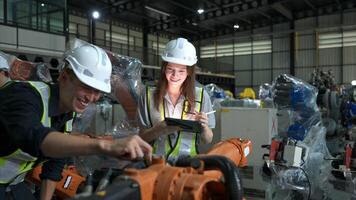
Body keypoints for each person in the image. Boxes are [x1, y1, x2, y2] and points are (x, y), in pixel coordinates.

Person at [0, 44, 152, 200]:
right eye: (86, 87)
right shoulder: (23, 96)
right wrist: (104, 146)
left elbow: (54, 165)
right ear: (64, 76)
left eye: (97, 91)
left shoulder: (66, 113)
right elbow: (35, 138)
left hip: (13, 184)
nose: (91, 97)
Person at [137, 38, 215, 164]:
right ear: (164, 68)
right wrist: (158, 130)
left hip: (189, 165)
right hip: (156, 163)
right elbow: (141, 138)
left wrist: (204, 127)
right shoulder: (147, 96)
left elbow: (208, 139)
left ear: (189, 71)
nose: (175, 75)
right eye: (170, 69)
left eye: (181, 71)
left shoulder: (201, 96)